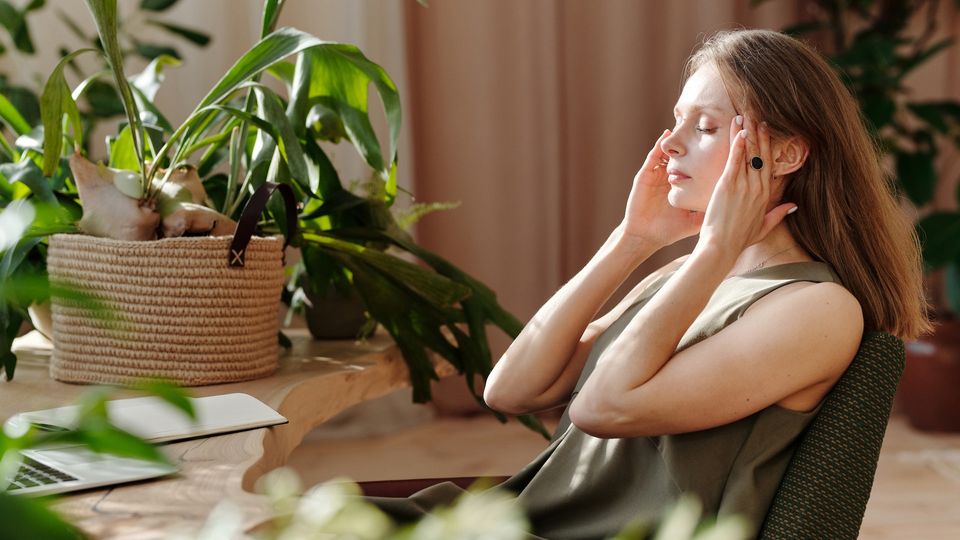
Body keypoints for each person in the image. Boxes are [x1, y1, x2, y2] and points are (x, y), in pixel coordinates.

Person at [366, 29, 932, 539]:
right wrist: (632, 239)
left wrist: (712, 252)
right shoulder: (689, 276)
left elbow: (603, 407)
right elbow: (510, 391)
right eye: (677, 120)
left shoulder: (817, 309)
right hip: (514, 520)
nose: (669, 145)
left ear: (783, 154)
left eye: (705, 127)